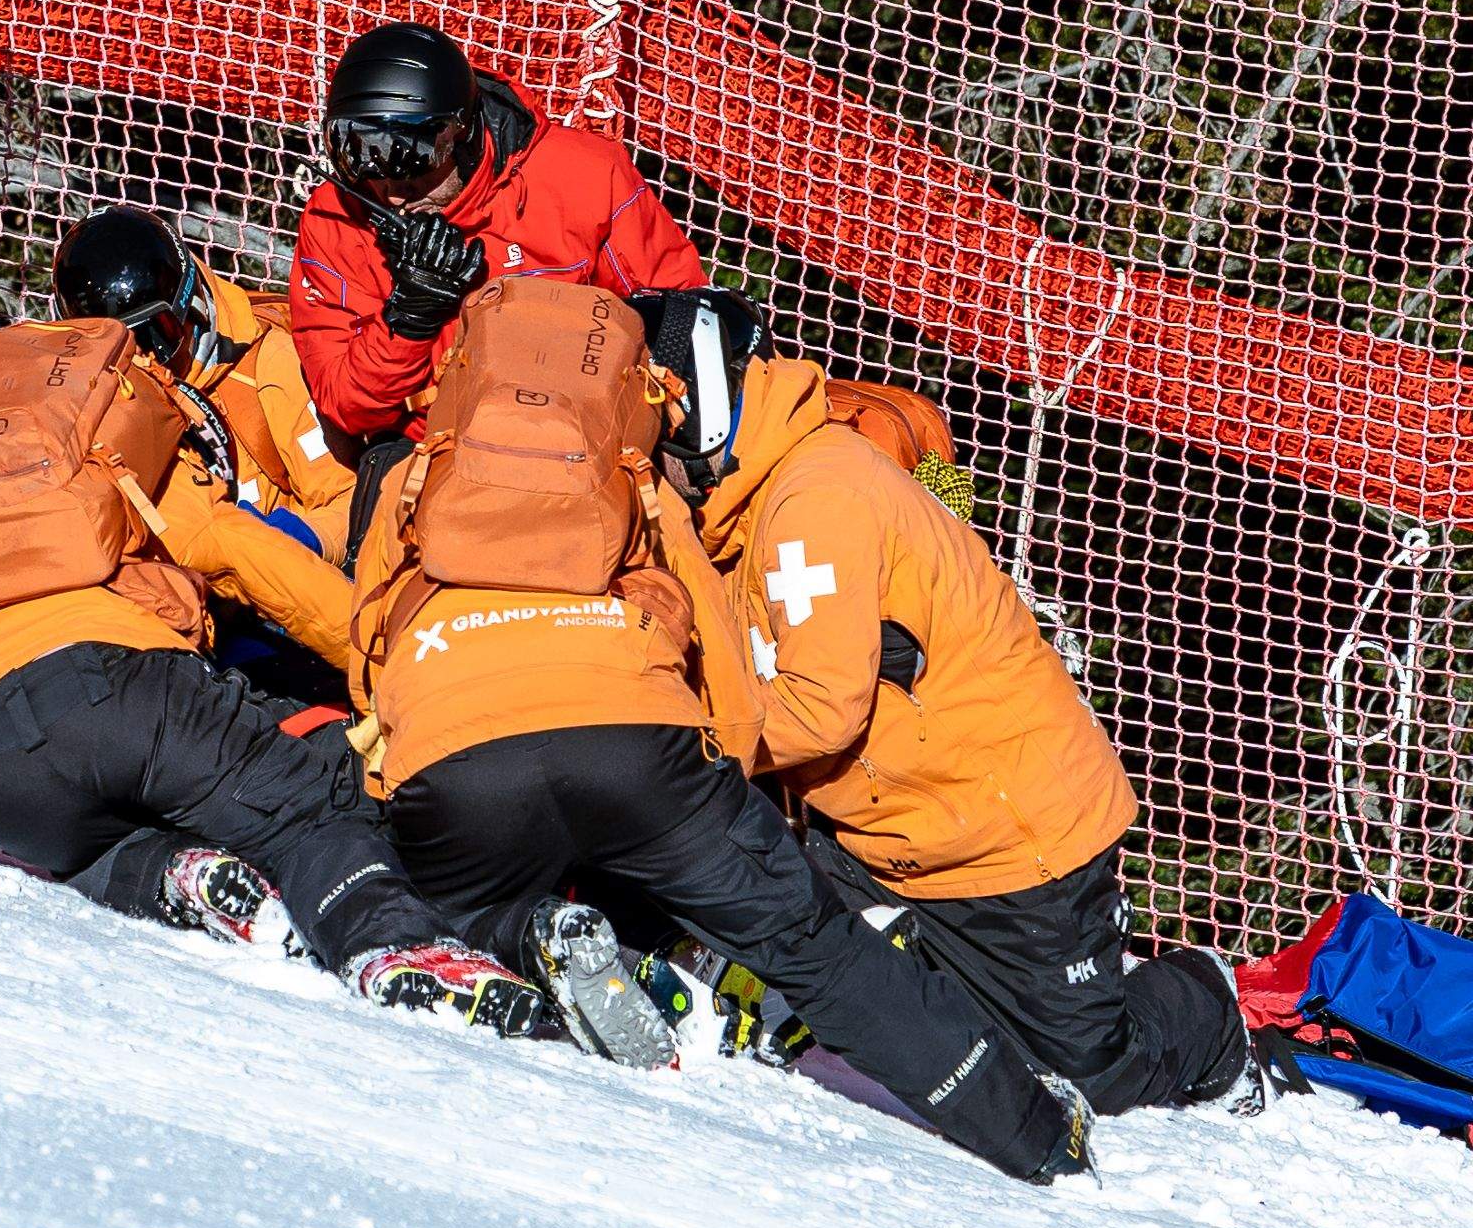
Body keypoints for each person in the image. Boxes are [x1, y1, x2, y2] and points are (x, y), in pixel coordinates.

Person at [345, 278, 1097, 1181]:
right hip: (698, 763)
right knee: (798, 928)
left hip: (971, 804)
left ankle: (543, 933)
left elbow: (368, 640)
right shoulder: (652, 485)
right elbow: (737, 700)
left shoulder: (423, 469)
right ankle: (1027, 1132)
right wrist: (720, 787)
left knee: (474, 883)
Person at [632, 286, 1264, 1119]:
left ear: (696, 406)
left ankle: (1201, 998)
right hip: (889, 827)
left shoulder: (815, 496)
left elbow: (822, 706)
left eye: (647, 429)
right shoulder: (751, 493)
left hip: (1009, 836)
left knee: (1092, 1074)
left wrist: (680, 742)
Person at [0, 317, 553, 1034]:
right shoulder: (143, 477)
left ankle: (175, 875)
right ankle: (397, 944)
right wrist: (401, 664)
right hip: (115, 677)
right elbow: (270, 572)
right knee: (311, 807)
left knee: (105, 838)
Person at [290, 22, 706, 551]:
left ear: (457, 131)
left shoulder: (581, 176)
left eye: (412, 161)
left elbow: (679, 318)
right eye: (364, 157)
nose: (394, 191)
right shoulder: (338, 218)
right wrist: (410, 318)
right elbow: (346, 407)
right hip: (431, 463)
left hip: (587, 454)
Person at [53, 206, 355, 560]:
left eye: (153, 338)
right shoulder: (76, 403)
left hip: (264, 586)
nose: (141, 363)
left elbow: (348, 496)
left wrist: (295, 539)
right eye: (115, 350)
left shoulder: (267, 367)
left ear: (192, 306)